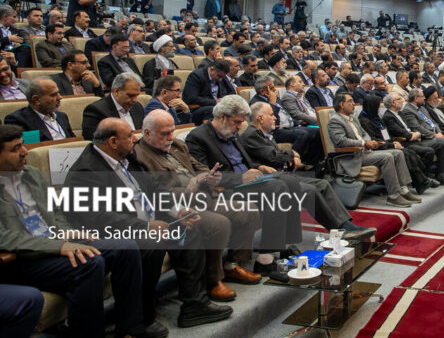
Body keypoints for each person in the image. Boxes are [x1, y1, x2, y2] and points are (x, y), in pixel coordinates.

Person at [65, 118, 233, 329]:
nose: (135, 139)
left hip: (147, 220)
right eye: (129, 136)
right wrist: (145, 226)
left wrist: (178, 211)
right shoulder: (85, 172)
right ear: (113, 142)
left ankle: (194, 305)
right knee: (151, 243)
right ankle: (141, 319)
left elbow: (154, 188)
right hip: (117, 231)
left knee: (187, 229)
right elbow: (96, 217)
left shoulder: (127, 156)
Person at [0, 125, 159, 338]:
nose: (24, 152)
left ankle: (130, 329)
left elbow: (55, 211)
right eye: (15, 148)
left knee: (126, 247)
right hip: (25, 259)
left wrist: (68, 233)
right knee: (89, 263)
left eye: (23, 145)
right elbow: (5, 237)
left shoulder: (31, 173)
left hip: (56, 244)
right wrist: (60, 245)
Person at [134, 110, 262, 302]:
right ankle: (212, 280)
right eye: (165, 134)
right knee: (218, 224)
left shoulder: (177, 145)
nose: (170, 137)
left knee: (249, 210)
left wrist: (210, 176)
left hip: (203, 197)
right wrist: (188, 188)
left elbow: (198, 166)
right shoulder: (139, 157)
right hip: (176, 208)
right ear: (147, 133)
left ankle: (232, 264)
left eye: (172, 131)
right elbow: (155, 193)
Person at [184, 96, 305, 256]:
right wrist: (241, 178)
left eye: (241, 122)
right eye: (237, 122)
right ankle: (269, 254)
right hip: (227, 188)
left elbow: (242, 161)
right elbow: (203, 176)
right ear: (222, 117)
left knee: (291, 181)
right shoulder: (197, 138)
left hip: (249, 181)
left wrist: (258, 167)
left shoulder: (230, 132)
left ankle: (288, 243)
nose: (240, 126)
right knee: (277, 188)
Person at [239, 101, 376, 240]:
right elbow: (273, 156)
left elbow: (275, 157)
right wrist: (292, 154)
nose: (275, 118)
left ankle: (346, 225)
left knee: (323, 184)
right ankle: (341, 229)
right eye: (271, 115)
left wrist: (290, 159)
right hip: (270, 181)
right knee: (311, 190)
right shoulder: (251, 135)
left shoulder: (264, 134)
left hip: (282, 175)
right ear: (260, 118)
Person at [327, 92, 421, 207]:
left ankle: (404, 190)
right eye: (350, 101)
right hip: (352, 156)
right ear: (342, 105)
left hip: (365, 152)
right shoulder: (335, 120)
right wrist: (364, 143)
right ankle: (393, 196)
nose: (354, 104)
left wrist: (371, 142)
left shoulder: (354, 118)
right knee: (387, 157)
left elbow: (364, 134)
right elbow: (341, 141)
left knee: (398, 153)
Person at [4, 77, 75, 141]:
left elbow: (73, 141)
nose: (60, 97)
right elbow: (28, 148)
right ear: (36, 100)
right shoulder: (18, 120)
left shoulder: (62, 116)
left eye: (58, 93)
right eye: (53, 95)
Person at [81, 72, 146, 140]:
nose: (135, 100)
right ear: (116, 91)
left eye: (137, 95)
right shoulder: (96, 111)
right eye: (130, 96)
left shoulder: (137, 107)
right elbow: (95, 141)